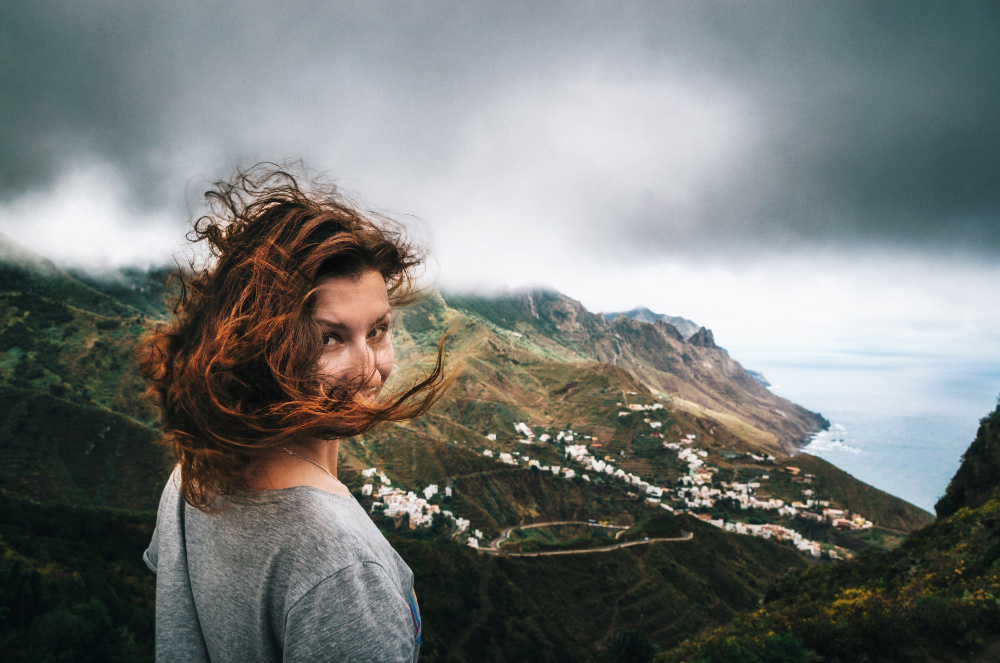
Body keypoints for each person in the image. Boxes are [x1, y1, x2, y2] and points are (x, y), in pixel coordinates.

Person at [139, 165, 447, 662]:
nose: (370, 369)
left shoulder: (193, 478)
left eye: (379, 330)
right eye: (330, 337)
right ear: (260, 343)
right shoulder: (344, 568)